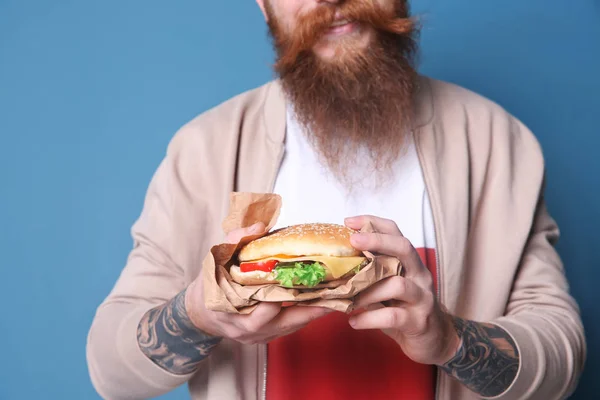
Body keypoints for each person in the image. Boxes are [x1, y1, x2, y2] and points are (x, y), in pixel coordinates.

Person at [86, 1, 586, 399]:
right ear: (263, 5)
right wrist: (197, 314)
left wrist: (447, 339)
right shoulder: (204, 149)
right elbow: (112, 372)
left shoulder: (496, 141)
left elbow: (563, 359)